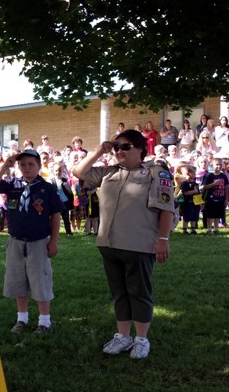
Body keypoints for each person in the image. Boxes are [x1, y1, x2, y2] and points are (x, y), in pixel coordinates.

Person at [73, 130, 175, 360]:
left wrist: (163, 239)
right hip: (109, 244)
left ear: (140, 149)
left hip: (139, 243)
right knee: (119, 292)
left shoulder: (155, 172)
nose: (119, 151)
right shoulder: (109, 172)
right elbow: (78, 172)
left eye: (126, 146)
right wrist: (101, 150)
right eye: (116, 147)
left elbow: (166, 208)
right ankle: (123, 336)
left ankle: (141, 339)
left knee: (138, 292)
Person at [0, 148, 63, 334]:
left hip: (38, 242)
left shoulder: (47, 188)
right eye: (22, 164)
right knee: (18, 280)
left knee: (40, 281)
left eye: (31, 164)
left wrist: (53, 241)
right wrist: (6, 164)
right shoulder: (13, 184)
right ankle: (22, 319)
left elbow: (55, 215)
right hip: (16, 242)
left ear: (39, 166)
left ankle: (44, 321)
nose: (26, 168)